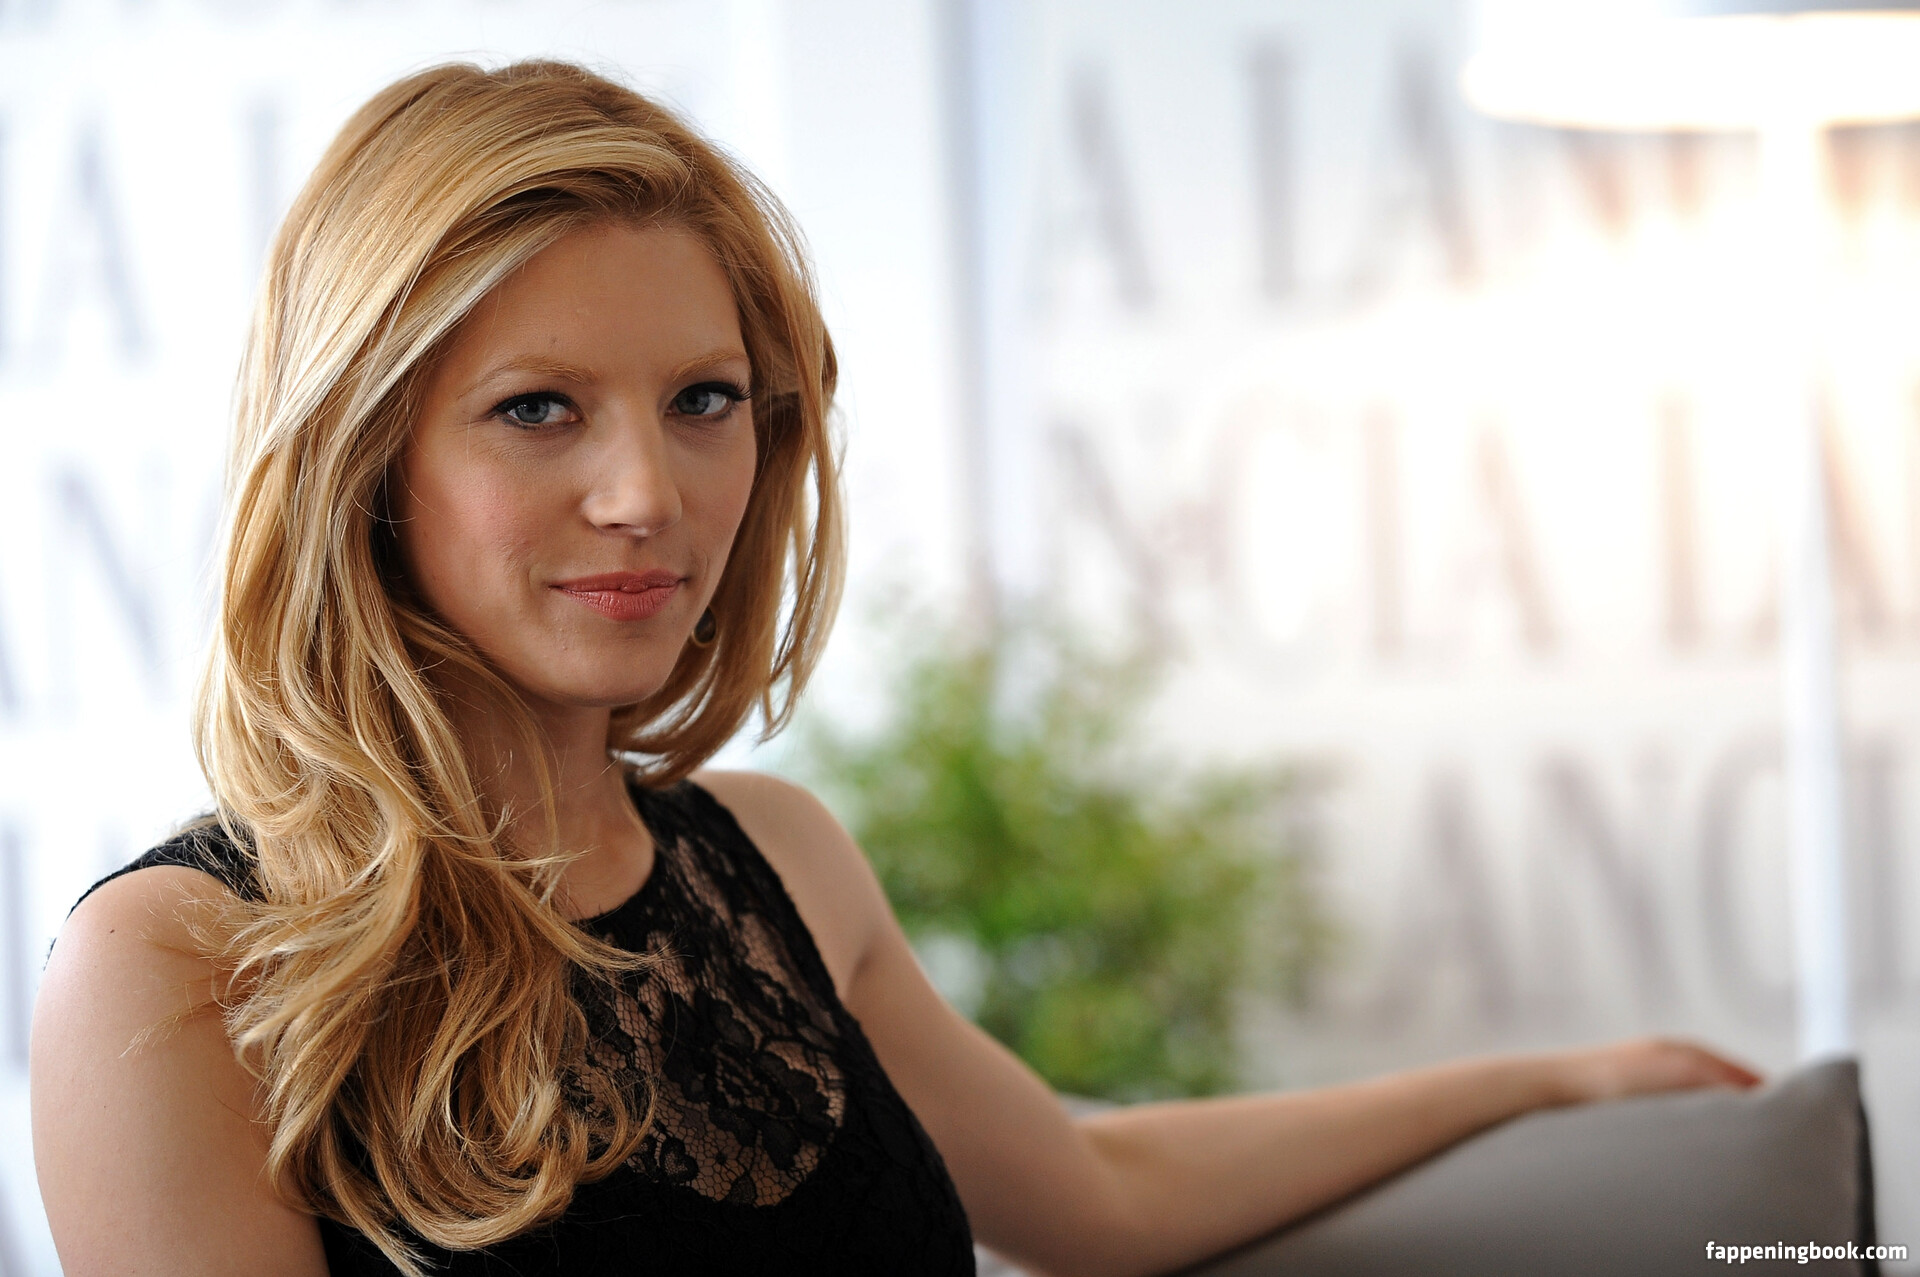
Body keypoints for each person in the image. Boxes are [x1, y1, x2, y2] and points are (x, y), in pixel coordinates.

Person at [28, 60, 1759, 1277]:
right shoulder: (175, 969)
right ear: (363, 461)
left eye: (704, 400)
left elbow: (1096, 1189)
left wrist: (1544, 1078)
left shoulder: (775, 858)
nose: (647, 493)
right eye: (537, 408)